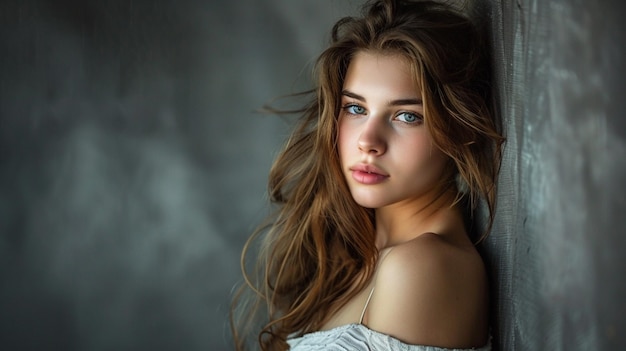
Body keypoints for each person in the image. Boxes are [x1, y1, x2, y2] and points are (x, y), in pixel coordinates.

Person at [231, 0, 504, 350]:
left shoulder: (423, 266)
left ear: (460, 129)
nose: (368, 142)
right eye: (356, 108)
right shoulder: (354, 258)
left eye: (407, 116)